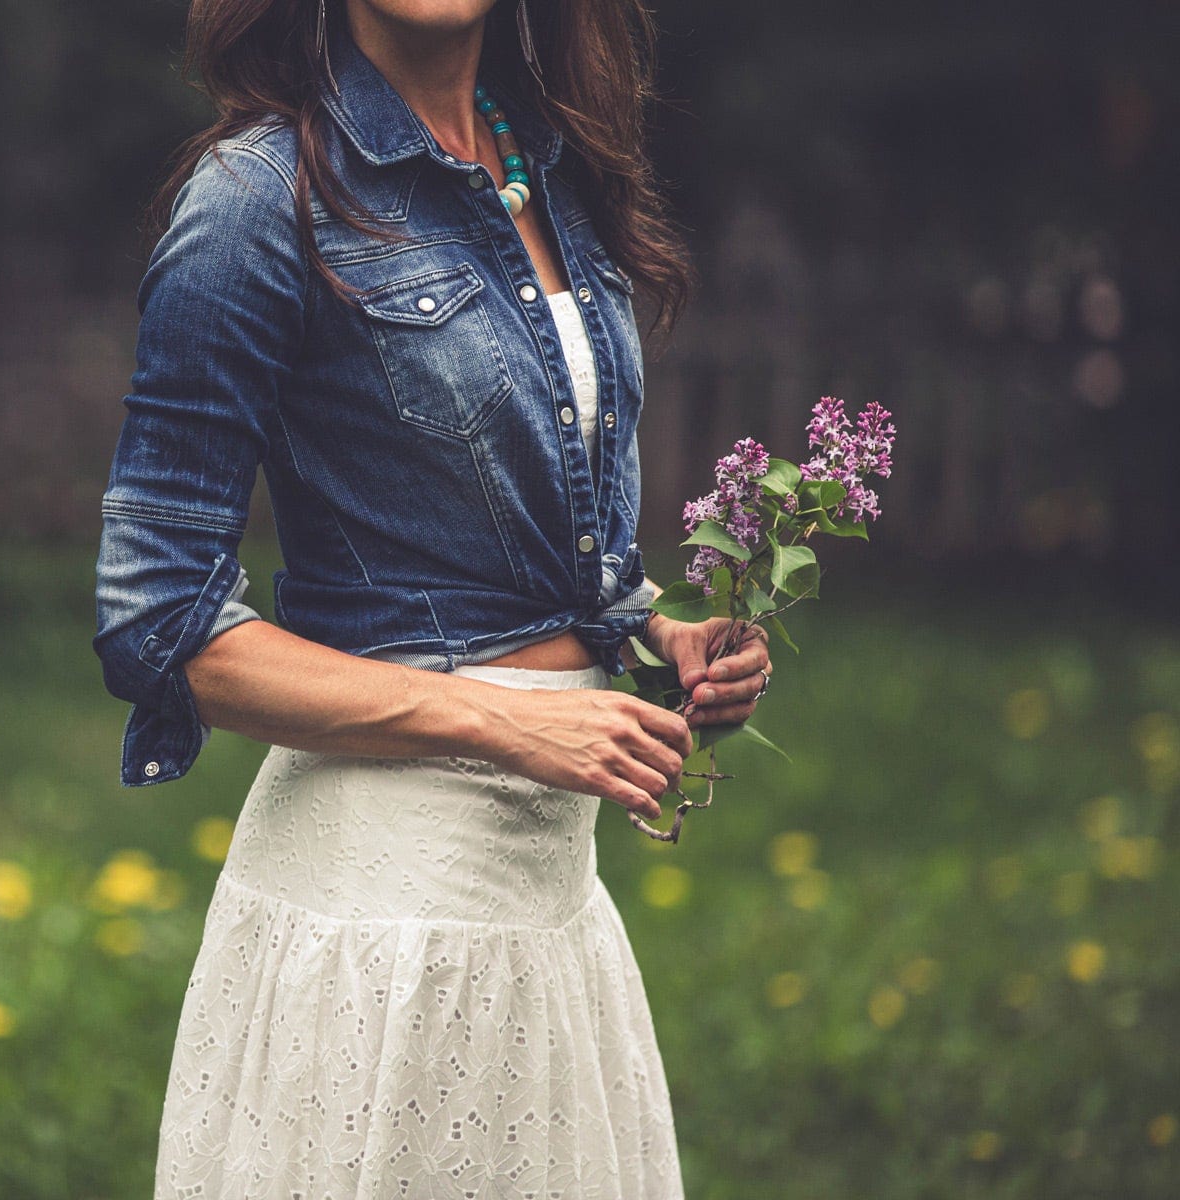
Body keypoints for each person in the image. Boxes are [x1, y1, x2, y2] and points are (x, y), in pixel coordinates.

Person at [93, 1, 772, 1194]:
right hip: (383, 924)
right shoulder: (259, 199)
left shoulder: (549, 171)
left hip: (548, 913)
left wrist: (657, 633)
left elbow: (530, 531)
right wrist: (506, 718)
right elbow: (162, 623)